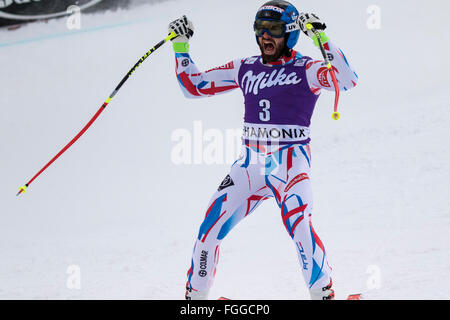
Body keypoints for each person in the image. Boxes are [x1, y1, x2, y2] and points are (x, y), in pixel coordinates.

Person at [168, 0, 358, 300]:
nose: (265, 37)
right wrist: (180, 45)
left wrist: (322, 37)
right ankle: (196, 299)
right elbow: (195, 86)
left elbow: (347, 80)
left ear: (291, 33)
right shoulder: (244, 67)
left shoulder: (307, 68)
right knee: (208, 230)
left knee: (300, 226)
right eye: (260, 30)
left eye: (274, 30)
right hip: (250, 164)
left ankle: (323, 294)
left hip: (290, 162)